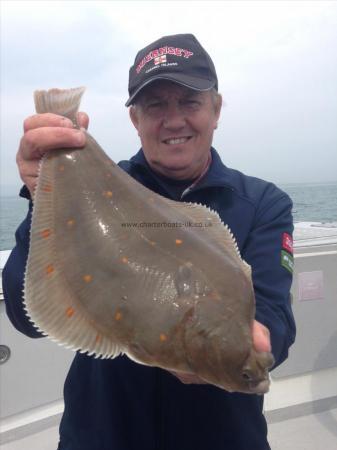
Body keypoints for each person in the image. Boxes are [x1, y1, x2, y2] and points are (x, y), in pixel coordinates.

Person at [3, 33, 296, 450]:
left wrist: (257, 342)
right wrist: (43, 192)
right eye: (155, 105)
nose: (173, 120)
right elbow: (24, 314)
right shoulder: (90, 187)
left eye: (190, 102)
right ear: (134, 119)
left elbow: (275, 321)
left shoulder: (263, 204)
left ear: (216, 110)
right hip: (102, 435)